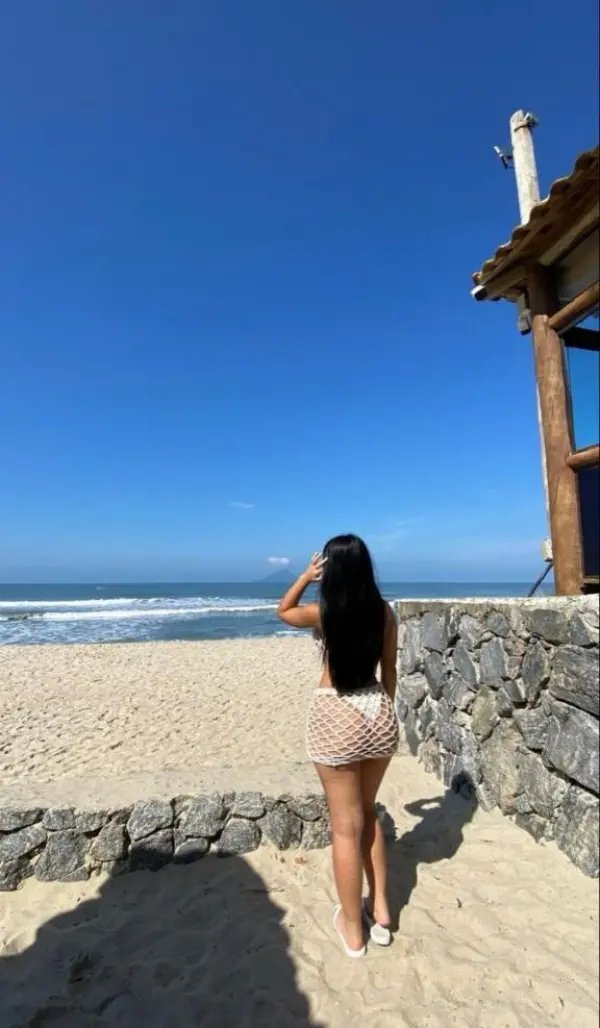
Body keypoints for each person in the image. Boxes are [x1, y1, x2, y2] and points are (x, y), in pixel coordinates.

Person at [277, 534, 399, 958]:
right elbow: (390, 671)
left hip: (336, 715)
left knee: (346, 827)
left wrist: (305, 576)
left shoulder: (325, 613)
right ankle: (380, 911)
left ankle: (352, 929)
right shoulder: (384, 612)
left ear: (330, 570)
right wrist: (383, 711)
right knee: (368, 813)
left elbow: (283, 611)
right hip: (378, 712)